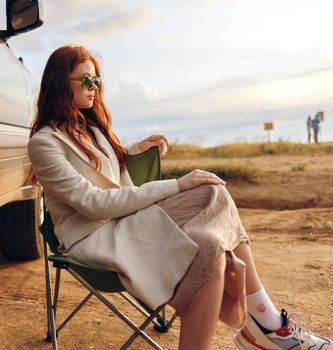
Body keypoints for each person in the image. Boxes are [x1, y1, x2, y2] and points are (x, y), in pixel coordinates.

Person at [27, 45, 331, 350]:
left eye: (97, 80)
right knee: (208, 204)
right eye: (86, 80)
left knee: (212, 235)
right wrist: (177, 185)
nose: (95, 88)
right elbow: (94, 204)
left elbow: (102, 171)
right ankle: (268, 328)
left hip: (124, 224)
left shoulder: (91, 127)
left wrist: (132, 152)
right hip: (94, 239)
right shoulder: (44, 144)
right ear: (60, 82)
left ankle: (266, 326)